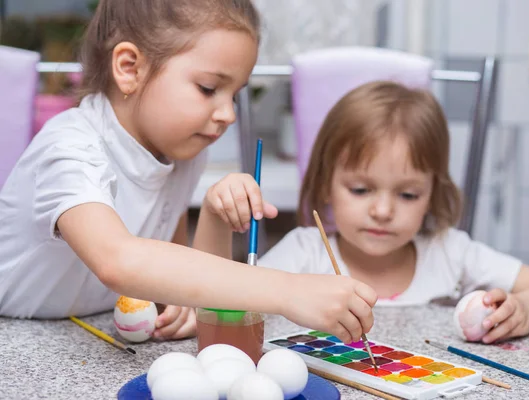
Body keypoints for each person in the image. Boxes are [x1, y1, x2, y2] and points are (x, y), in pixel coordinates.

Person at [0, 0, 376, 345]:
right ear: (129, 68)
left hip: (80, 333)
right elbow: (118, 261)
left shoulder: (180, 152)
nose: (228, 114)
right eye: (208, 88)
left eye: (235, 94)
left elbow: (169, 266)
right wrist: (289, 291)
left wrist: (185, 286)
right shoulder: (68, 149)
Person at [258, 81, 529, 343]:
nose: (383, 211)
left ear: (431, 194)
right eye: (360, 189)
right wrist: (217, 220)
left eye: (408, 194)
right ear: (326, 183)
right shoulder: (303, 253)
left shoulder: (450, 252)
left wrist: (527, 308)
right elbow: (218, 307)